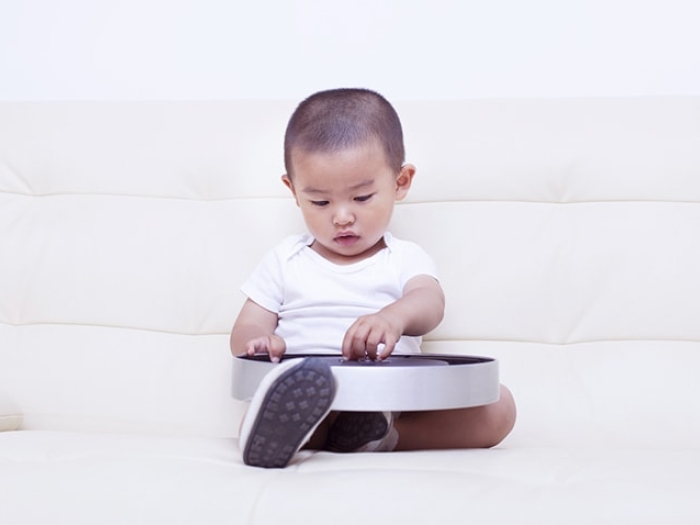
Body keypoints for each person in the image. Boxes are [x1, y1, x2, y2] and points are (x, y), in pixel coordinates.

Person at [230, 88, 516, 468]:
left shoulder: (403, 258)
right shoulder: (285, 259)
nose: (342, 216)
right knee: (282, 410)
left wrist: (393, 317)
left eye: (362, 197)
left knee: (499, 408)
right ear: (293, 191)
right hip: (310, 395)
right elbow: (246, 327)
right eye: (320, 202)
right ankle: (309, 428)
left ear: (401, 182)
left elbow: (430, 303)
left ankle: (381, 435)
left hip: (393, 400)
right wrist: (258, 342)